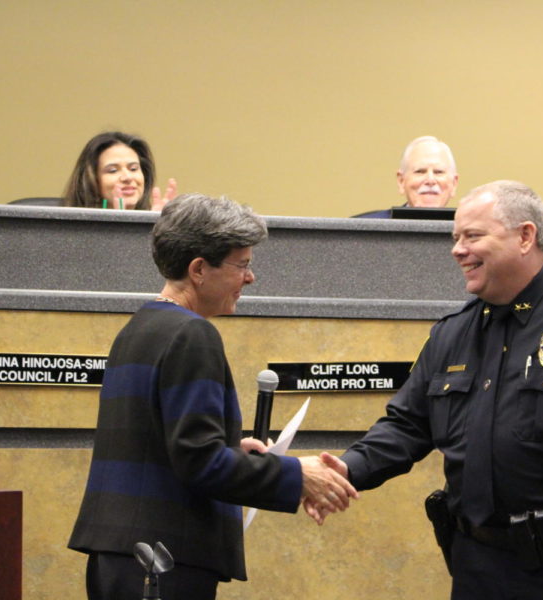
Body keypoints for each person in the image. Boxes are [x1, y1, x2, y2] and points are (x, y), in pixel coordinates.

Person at [316, 180, 543, 599]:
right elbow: (407, 425)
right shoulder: (452, 333)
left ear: (525, 236)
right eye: (455, 238)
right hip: (478, 566)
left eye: (473, 236)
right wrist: (347, 468)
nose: (457, 249)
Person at [68, 193, 358, 600]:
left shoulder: (140, 327)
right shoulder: (192, 334)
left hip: (123, 556)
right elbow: (199, 461)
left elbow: (155, 442)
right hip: (162, 562)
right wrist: (298, 475)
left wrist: (232, 448)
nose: (250, 278)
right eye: (242, 265)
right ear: (199, 269)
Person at [63, 131, 178, 210]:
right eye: (113, 170)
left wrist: (161, 231)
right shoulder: (72, 233)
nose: (127, 177)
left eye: (133, 169)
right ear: (92, 179)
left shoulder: (154, 226)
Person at [354, 135, 459, 218]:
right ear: (401, 181)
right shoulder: (363, 230)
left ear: (454, 184)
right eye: (420, 171)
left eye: (438, 172)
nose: (430, 180)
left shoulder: (471, 234)